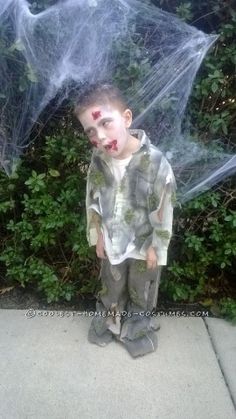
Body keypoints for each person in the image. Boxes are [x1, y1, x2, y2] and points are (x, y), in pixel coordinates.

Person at [74, 83, 176, 358]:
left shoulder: (155, 162)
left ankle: (137, 330)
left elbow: (165, 208)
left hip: (145, 245)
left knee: (141, 291)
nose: (100, 136)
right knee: (112, 286)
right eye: (91, 132)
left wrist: (158, 245)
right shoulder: (98, 161)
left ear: (127, 118)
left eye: (106, 123)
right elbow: (92, 199)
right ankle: (107, 324)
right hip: (114, 241)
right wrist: (98, 235)